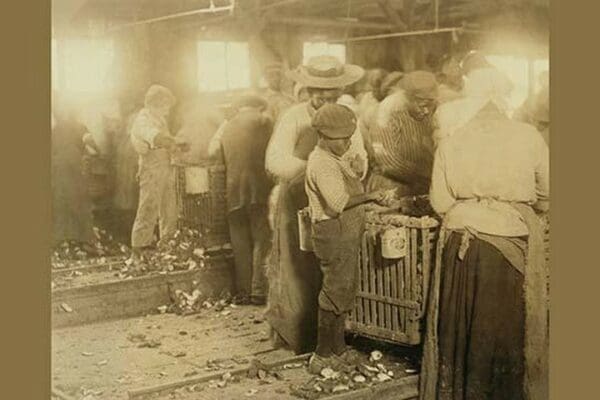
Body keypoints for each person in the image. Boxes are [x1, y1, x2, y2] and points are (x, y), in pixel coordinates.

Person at [420, 67, 549, 400]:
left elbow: (440, 201)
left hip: (460, 242)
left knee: (458, 329)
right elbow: (548, 193)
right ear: (504, 98)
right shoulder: (529, 136)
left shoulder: (452, 140)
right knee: (501, 328)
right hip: (506, 243)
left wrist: (472, 207)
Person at [264, 55, 366, 354]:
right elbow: (274, 160)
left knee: (333, 268)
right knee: (298, 268)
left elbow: (358, 153)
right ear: (308, 91)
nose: (325, 97)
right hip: (298, 198)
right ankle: (298, 335)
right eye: (319, 93)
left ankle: (333, 338)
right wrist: (316, 169)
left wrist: (357, 166)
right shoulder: (294, 116)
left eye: (331, 93)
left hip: (333, 203)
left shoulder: (347, 115)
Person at [305, 104, 386, 373]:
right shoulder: (322, 163)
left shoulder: (336, 158)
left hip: (345, 233)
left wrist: (355, 167)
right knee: (333, 291)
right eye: (342, 139)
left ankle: (338, 349)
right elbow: (338, 202)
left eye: (350, 137)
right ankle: (322, 355)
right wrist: (372, 196)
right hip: (332, 233)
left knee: (344, 290)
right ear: (324, 137)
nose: (348, 143)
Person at [208, 95, 274, 305]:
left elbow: (212, 152)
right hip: (259, 188)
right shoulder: (265, 122)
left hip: (233, 189)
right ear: (259, 106)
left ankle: (243, 290)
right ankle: (259, 290)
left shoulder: (227, 126)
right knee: (261, 238)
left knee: (240, 241)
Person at [129, 85, 187, 259]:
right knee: (149, 206)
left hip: (165, 166)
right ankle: (140, 246)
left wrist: (176, 146)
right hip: (151, 168)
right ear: (154, 103)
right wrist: (175, 142)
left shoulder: (159, 119)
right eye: (165, 106)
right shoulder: (143, 119)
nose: (167, 110)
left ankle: (167, 243)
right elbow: (156, 138)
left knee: (169, 207)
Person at [363, 70, 439, 195]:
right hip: (390, 186)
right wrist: (429, 173)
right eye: (422, 105)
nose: (426, 111)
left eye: (430, 105)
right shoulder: (387, 111)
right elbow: (389, 163)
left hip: (422, 183)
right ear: (407, 97)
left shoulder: (429, 108)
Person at [51, 97, 96, 247]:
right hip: (74, 166)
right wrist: (98, 151)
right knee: (79, 200)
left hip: (57, 167)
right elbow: (89, 141)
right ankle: (83, 238)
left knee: (61, 201)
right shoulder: (79, 127)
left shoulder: (56, 129)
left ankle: (62, 238)